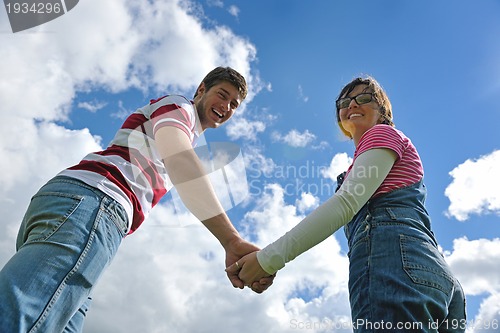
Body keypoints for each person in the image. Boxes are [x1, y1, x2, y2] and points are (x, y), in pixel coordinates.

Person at [0, 66, 272, 332]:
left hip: (85, 211)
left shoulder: (186, 129)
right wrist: (231, 240)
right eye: (222, 95)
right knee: (22, 317)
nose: (226, 107)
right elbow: (180, 160)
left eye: (234, 104)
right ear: (201, 89)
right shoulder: (180, 108)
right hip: (94, 204)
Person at [228, 76, 466, 332]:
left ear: (383, 110)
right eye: (344, 102)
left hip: (397, 267)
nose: (352, 105)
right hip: (437, 277)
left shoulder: (381, 133)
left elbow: (346, 203)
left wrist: (267, 260)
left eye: (364, 98)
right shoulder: (379, 152)